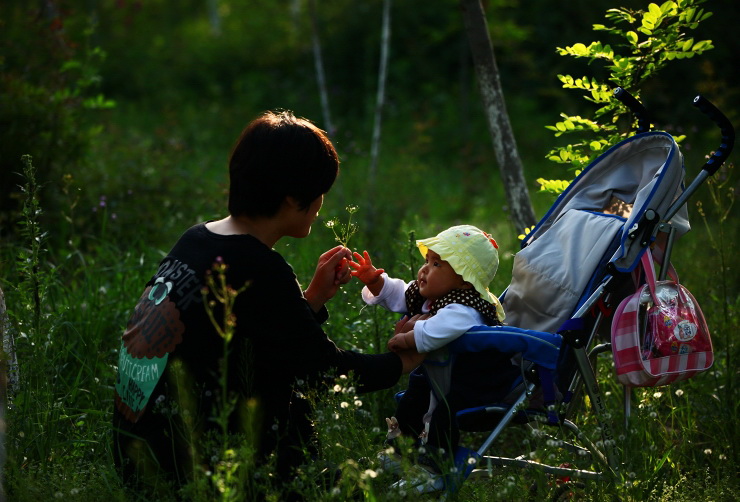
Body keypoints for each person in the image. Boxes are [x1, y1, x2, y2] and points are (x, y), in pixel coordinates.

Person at [111, 110, 424, 496]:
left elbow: (246, 337)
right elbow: (323, 372)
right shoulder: (259, 266)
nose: (322, 201)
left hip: (138, 454)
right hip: (188, 471)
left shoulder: (197, 240)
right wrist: (406, 360)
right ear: (294, 198)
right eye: (320, 190)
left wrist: (310, 300)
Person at [349, 225, 519, 469]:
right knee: (413, 398)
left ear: (465, 280)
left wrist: (407, 338)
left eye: (437, 264)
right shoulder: (437, 296)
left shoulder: (465, 307)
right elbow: (401, 292)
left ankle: (435, 464)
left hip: (476, 383)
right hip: (443, 374)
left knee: (444, 415)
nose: (425, 268)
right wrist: (377, 282)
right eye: (427, 260)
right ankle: (399, 451)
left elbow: (437, 331)